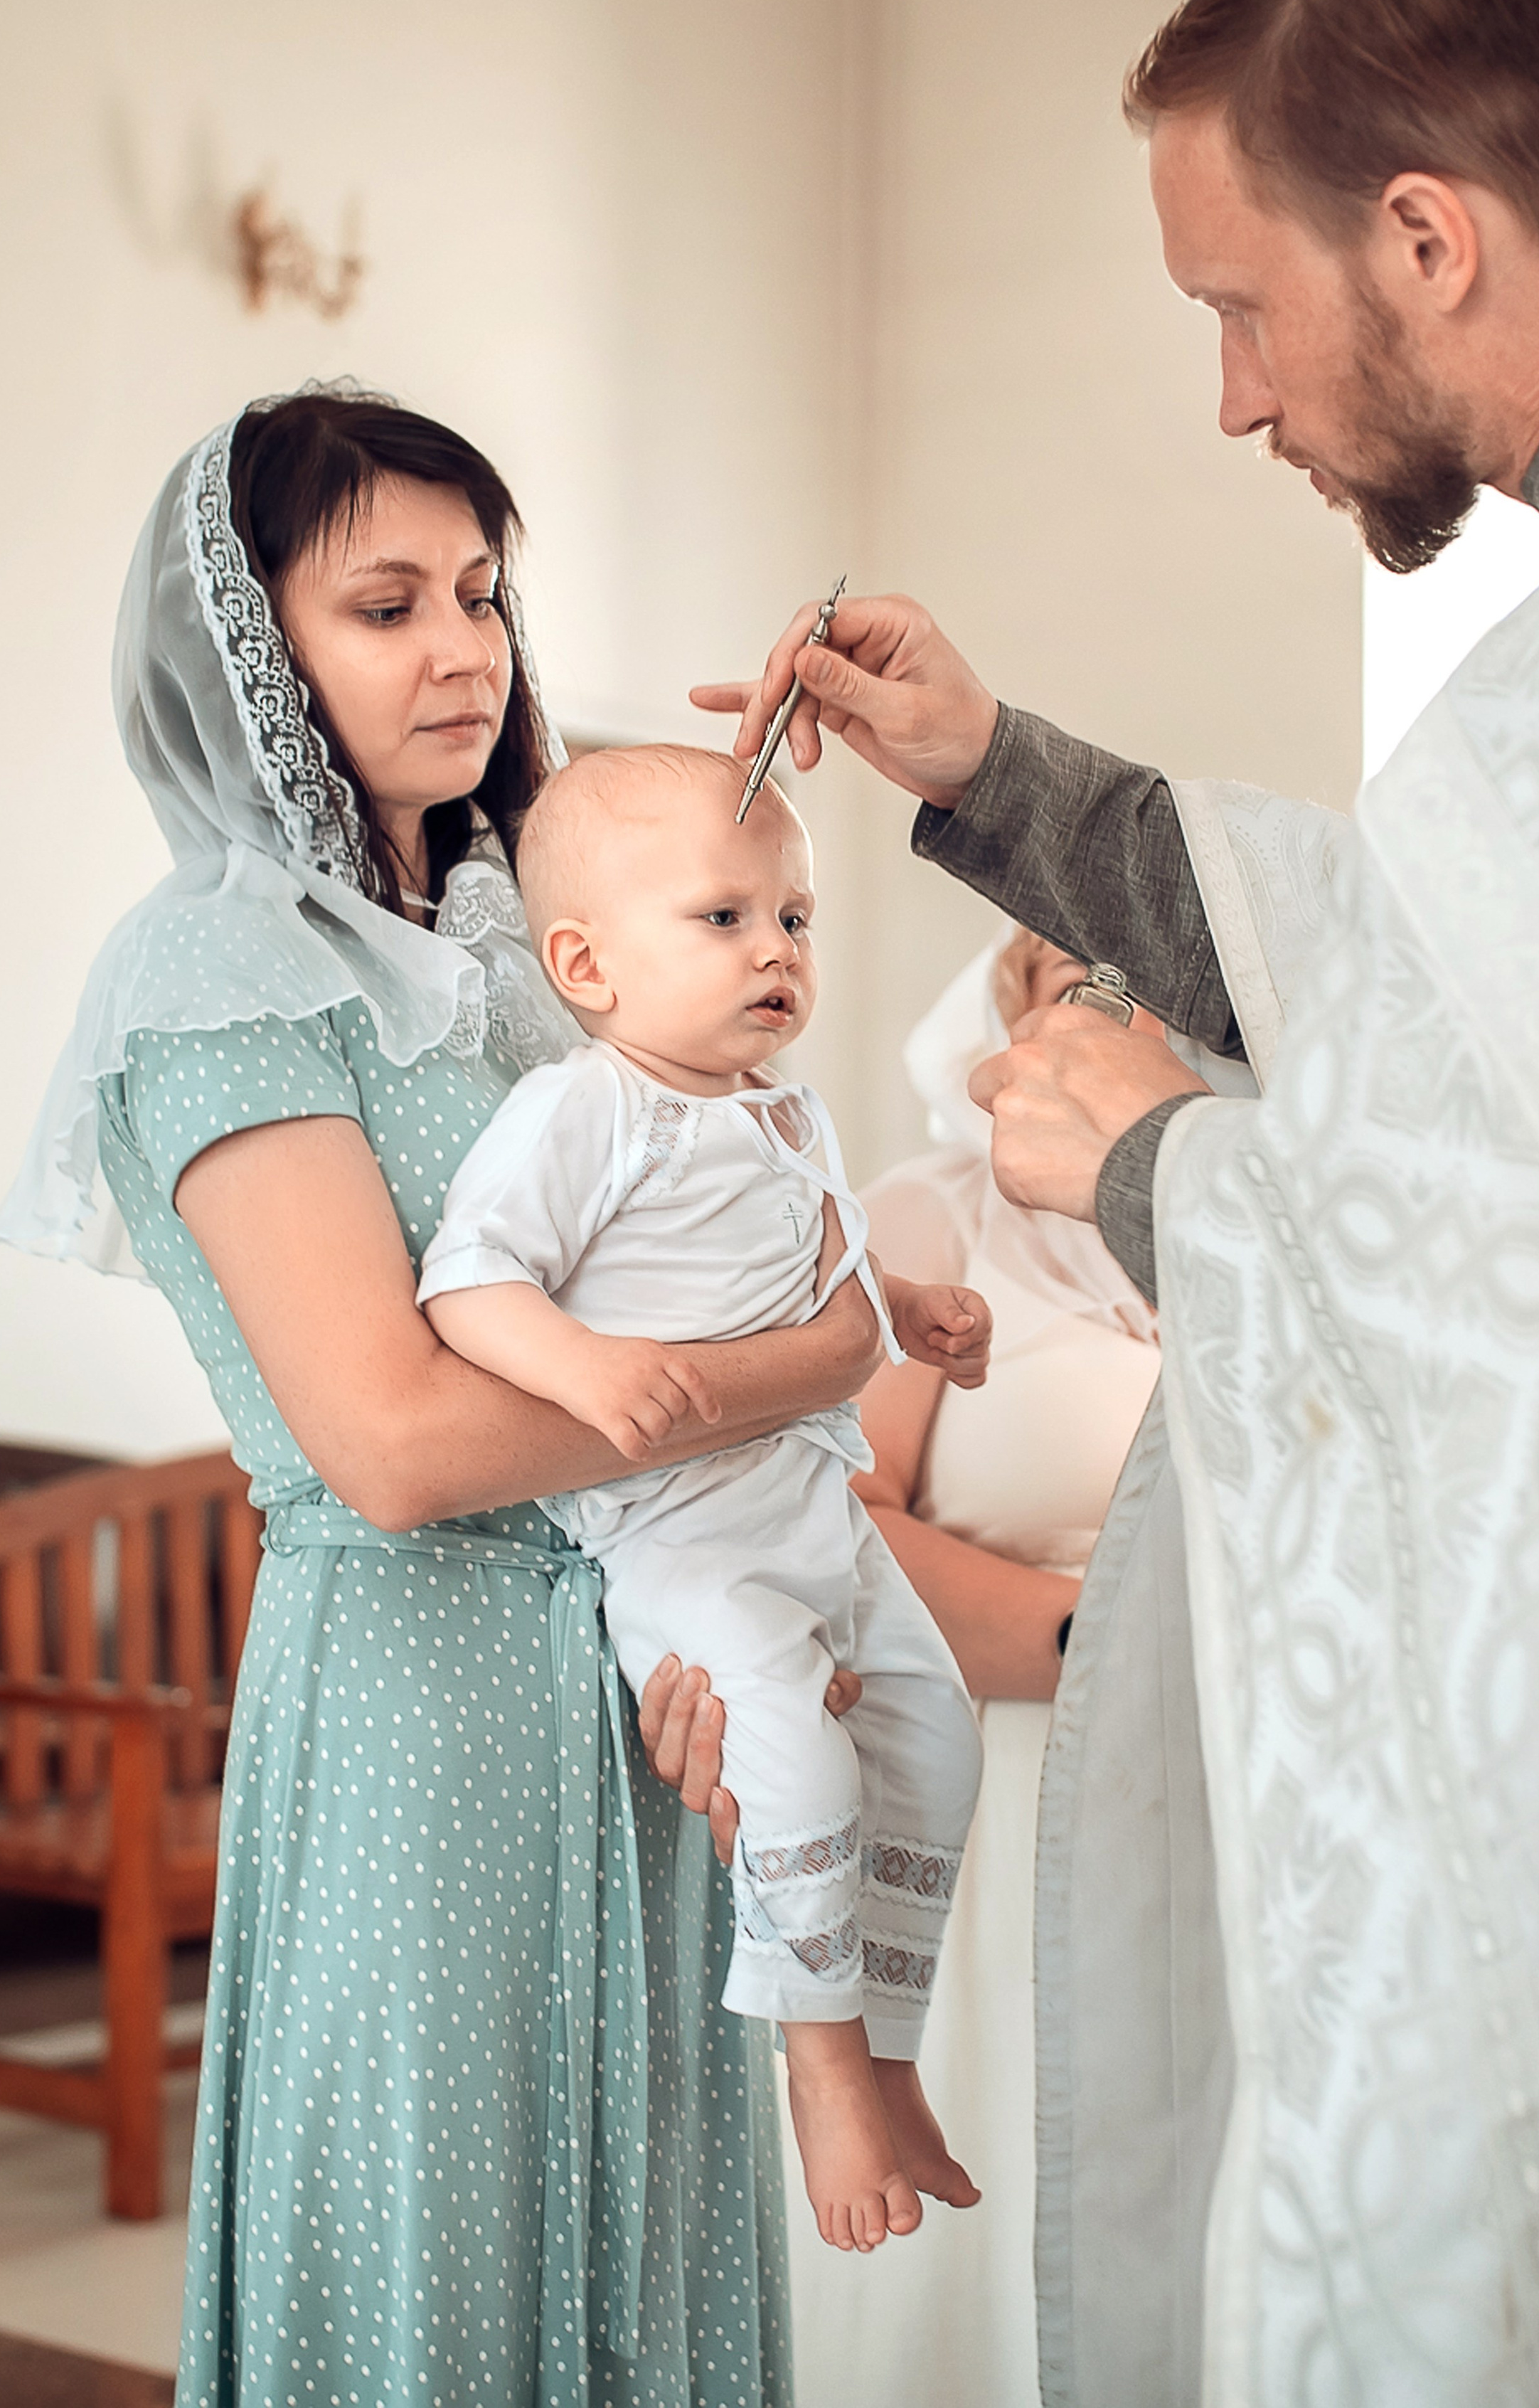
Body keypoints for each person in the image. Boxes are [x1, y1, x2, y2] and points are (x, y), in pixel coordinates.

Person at [691, 0, 1539, 2408]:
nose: (1235, 398)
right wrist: (994, 771)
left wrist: (1161, 1164)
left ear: (1421, 235)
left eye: (1238, 304)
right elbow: (1477, 1026)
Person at [0, 386, 887, 2407]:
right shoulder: (215, 970)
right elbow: (387, 1444)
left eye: (481, 593)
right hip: (415, 1705)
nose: (463, 648)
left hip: (636, 1681)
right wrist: (809, 1367)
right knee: (439, 2262)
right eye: (384, 603)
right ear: (254, 657)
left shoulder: (520, 955)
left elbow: (703, 1249)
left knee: (645, 2228)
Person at [417, 743, 988, 2256]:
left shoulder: (784, 1112)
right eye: (722, 920)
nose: (776, 952)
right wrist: (584, 1370)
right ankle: (815, 2068)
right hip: (682, 1538)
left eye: (792, 919)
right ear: (586, 966)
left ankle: (883, 2048)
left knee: (933, 1733)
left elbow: (822, 1256)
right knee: (797, 1765)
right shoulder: (579, 1109)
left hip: (812, 1509)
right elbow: (469, 1277)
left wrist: (909, 1302)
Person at [782, 923, 1188, 2408]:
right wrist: (1089, 1640)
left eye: (1138, 971)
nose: (1104, 995)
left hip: (1215, 1777)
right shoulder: (922, 1218)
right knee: (1008, 2136)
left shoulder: (1257, 1236)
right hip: (993, 1773)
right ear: (1001, 1013)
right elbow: (832, 1511)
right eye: (1061, 969)